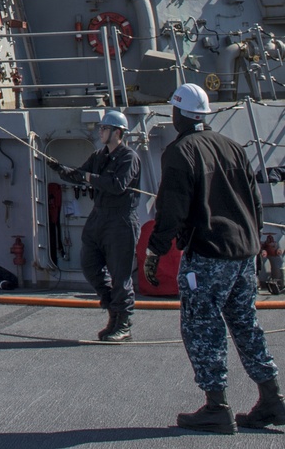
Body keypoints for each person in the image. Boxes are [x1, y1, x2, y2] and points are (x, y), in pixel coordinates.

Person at [144, 82, 285, 434]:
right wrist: (252, 243)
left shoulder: (180, 152)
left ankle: (216, 407)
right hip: (243, 252)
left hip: (208, 254)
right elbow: (254, 202)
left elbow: (172, 210)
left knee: (201, 326)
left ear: (178, 114)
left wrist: (154, 251)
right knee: (245, 324)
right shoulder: (232, 147)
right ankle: (272, 398)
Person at [45, 109, 141, 343]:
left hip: (120, 220)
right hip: (99, 217)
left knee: (121, 274)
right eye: (101, 128)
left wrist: (88, 178)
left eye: (105, 129)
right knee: (89, 264)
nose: (101, 132)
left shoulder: (129, 157)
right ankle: (112, 310)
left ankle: (123, 322)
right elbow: (80, 175)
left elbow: (117, 185)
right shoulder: (100, 156)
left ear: (117, 132)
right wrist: (60, 169)